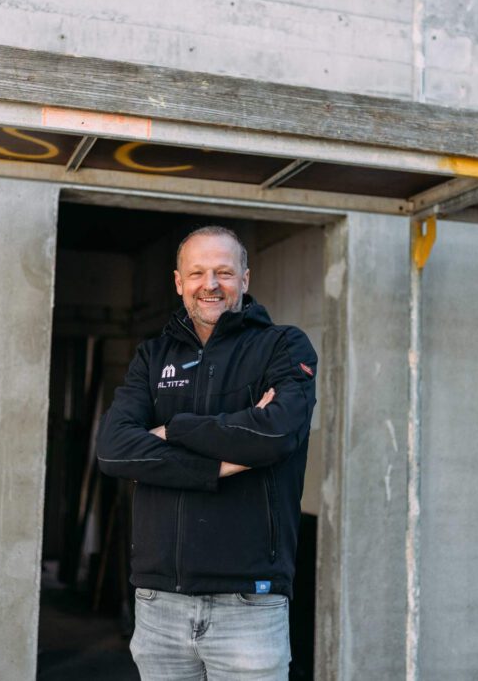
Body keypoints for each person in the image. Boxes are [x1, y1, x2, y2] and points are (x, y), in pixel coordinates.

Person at [96, 225, 317, 680]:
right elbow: (115, 449)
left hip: (249, 604)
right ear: (179, 283)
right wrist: (222, 464)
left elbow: (274, 435)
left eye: (224, 272)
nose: (210, 284)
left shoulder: (282, 346)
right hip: (160, 604)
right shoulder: (152, 357)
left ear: (245, 279)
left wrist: (172, 428)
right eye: (197, 273)